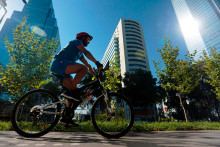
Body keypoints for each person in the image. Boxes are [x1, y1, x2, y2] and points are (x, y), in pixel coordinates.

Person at [50, 32, 103, 126]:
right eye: (88, 39)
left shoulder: (79, 54)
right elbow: (86, 53)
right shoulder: (76, 42)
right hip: (59, 63)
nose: (89, 42)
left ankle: (66, 118)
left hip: (62, 70)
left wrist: (96, 76)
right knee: (83, 69)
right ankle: (69, 93)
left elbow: (88, 65)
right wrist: (97, 62)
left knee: (73, 92)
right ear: (83, 38)